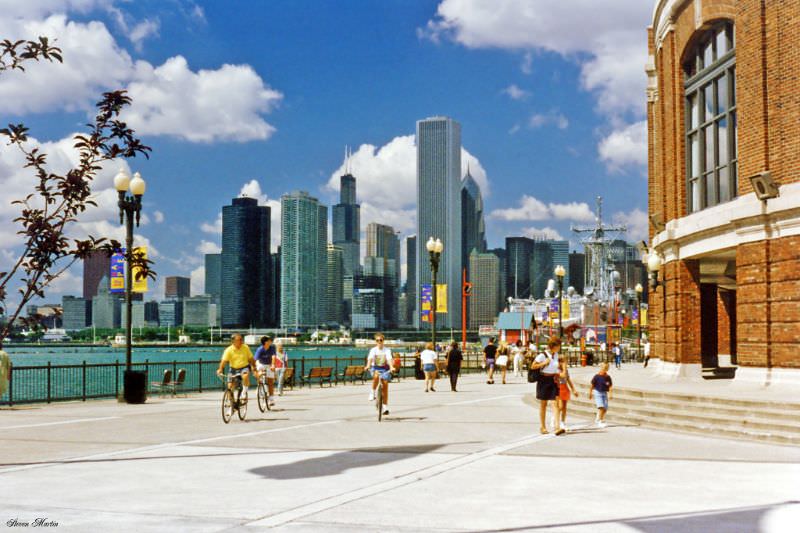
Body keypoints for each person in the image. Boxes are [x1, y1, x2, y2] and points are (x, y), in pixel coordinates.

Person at [531, 336, 564, 435]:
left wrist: (558, 373)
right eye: (558, 346)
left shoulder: (556, 355)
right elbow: (533, 366)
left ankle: (557, 427)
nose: (559, 348)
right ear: (553, 346)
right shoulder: (542, 355)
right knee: (543, 404)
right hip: (543, 380)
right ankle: (543, 427)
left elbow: (555, 367)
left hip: (553, 380)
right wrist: (544, 363)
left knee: (555, 403)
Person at [216, 334, 257, 400]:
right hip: (233, 369)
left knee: (245, 376)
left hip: (244, 367)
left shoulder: (245, 347)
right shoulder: (228, 350)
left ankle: (244, 392)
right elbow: (224, 361)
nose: (241, 341)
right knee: (229, 387)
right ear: (233, 341)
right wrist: (220, 369)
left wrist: (254, 367)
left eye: (241, 339)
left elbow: (251, 359)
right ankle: (232, 405)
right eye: (239, 340)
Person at [364, 333, 395, 415]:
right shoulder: (373, 350)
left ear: (383, 341)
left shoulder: (387, 350)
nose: (379, 342)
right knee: (376, 376)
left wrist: (391, 367)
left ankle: (385, 407)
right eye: (377, 340)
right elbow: (370, 359)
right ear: (375, 341)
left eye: (381, 340)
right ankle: (372, 392)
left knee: (385, 386)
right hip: (375, 368)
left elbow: (389, 359)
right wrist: (368, 366)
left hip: (385, 369)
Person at [556, 357, 578, 430]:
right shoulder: (556, 370)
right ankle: (555, 419)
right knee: (560, 406)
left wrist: (573, 389)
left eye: (565, 362)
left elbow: (568, 379)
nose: (565, 364)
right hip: (558, 388)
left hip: (565, 388)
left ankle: (562, 422)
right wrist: (564, 368)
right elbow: (562, 375)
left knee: (564, 407)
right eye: (562, 362)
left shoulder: (566, 370)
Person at [254, 335, 276, 406]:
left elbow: (273, 357)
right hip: (261, 364)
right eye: (269, 340)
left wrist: (273, 365)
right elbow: (256, 359)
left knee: (270, 381)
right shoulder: (260, 349)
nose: (271, 341)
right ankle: (259, 385)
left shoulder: (272, 347)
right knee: (259, 373)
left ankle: (271, 399)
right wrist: (258, 367)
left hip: (269, 364)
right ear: (266, 342)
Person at [589, 362, 613, 427]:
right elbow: (592, 385)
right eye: (603, 368)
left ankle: (598, 418)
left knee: (605, 408)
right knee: (601, 407)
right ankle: (600, 421)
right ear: (601, 368)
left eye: (606, 368)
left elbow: (610, 386)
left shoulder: (608, 377)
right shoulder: (597, 376)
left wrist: (610, 394)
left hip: (604, 393)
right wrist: (590, 393)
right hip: (597, 392)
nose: (604, 369)